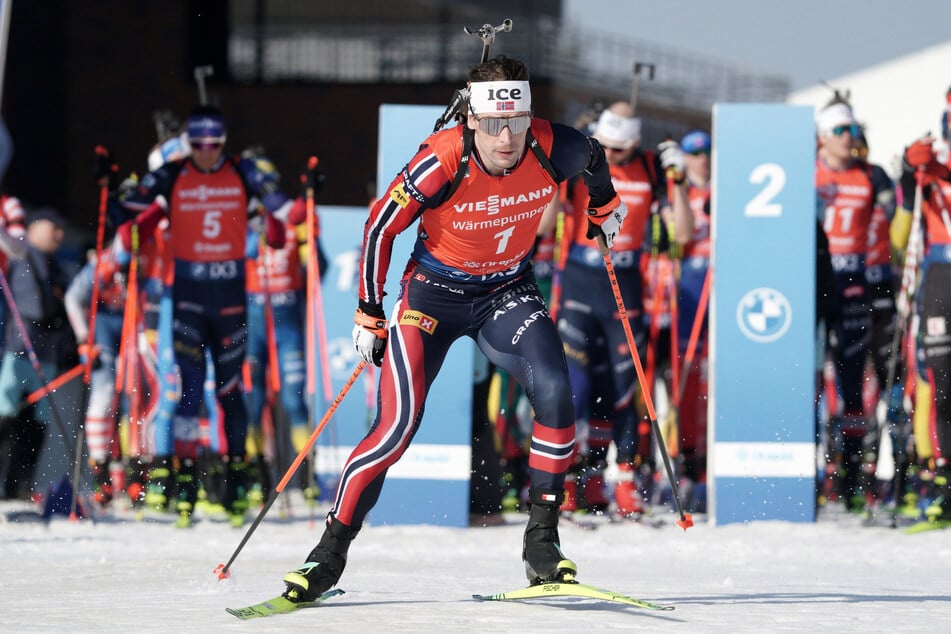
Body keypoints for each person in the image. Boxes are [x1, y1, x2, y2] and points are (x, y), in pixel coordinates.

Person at [277, 55, 626, 603]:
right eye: (493, 124)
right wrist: (369, 310)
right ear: (471, 120)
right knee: (395, 429)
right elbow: (377, 228)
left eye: (516, 123)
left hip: (506, 292)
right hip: (432, 299)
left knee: (557, 395)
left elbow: (596, 159)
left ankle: (542, 545)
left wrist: (604, 206)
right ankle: (326, 556)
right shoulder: (441, 159)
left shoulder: (554, 145)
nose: (507, 138)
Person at [115, 105, 293, 526]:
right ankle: (186, 490)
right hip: (189, 301)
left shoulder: (241, 173)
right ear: (187, 143)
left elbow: (283, 229)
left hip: (231, 302)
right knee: (189, 394)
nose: (207, 152)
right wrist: (122, 193)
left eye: (214, 144)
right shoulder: (175, 175)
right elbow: (129, 224)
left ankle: (233, 486)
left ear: (223, 142)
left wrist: (272, 209)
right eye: (198, 144)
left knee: (230, 394)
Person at [554, 101, 686, 517]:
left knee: (623, 388)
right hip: (579, 279)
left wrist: (678, 179)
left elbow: (682, 231)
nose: (609, 158)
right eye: (604, 148)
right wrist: (555, 169)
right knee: (574, 388)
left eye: (618, 151)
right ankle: (570, 479)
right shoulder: (582, 161)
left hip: (624, 284)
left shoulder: (649, 168)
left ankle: (619, 479)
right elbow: (543, 225)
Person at [814, 100, 877, 511]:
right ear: (822, 136)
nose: (847, 137)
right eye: (839, 130)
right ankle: (816, 469)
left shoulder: (870, 175)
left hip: (854, 281)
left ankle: (853, 471)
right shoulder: (807, 172)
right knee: (814, 380)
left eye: (851, 130)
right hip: (816, 281)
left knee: (853, 382)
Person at [0, 208, 76, 500]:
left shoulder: (56, 266)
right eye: (52, 227)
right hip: (20, 348)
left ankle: (19, 487)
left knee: (36, 425)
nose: (58, 234)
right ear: (33, 228)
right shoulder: (21, 254)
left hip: (48, 353)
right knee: (7, 415)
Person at [895, 134, 951, 526]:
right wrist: (907, 175)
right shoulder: (932, 169)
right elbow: (899, 239)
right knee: (940, 384)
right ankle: (943, 482)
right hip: (941, 279)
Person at [63, 236, 129, 506]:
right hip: (102, 330)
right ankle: (100, 469)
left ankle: (130, 474)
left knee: (131, 402)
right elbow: (72, 298)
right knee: (103, 397)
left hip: (132, 330)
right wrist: (83, 339)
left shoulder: (145, 260)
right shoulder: (103, 262)